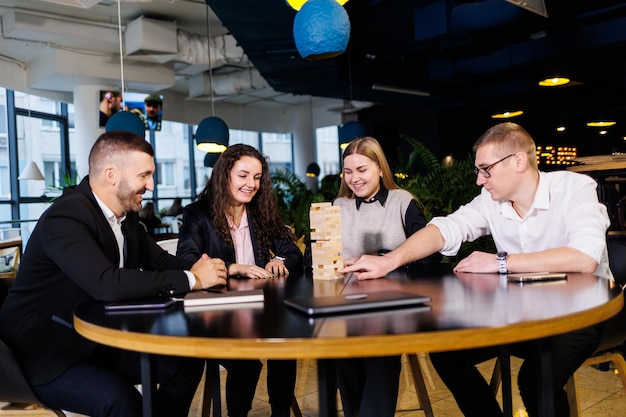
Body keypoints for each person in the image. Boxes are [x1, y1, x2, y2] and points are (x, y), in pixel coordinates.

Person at [339, 122, 612, 417]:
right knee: (447, 353)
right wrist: (389, 260)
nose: (480, 180)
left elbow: (585, 257)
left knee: (535, 380)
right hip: (525, 314)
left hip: (583, 314)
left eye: (486, 170)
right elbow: (446, 228)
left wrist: (500, 262)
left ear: (518, 162)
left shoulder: (574, 189)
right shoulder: (490, 202)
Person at [0, 130, 228, 417]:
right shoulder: (66, 216)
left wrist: (214, 269)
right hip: (40, 355)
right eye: (144, 175)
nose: (152, 186)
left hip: (93, 341)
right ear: (111, 174)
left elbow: (159, 260)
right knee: (121, 400)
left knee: (185, 365)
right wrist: (193, 279)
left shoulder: (125, 216)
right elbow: (105, 284)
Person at [177, 143, 303, 417]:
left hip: (257, 308)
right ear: (226, 176)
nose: (252, 184)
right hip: (216, 313)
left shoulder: (260, 212)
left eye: (257, 178)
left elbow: (292, 251)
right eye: (244, 175)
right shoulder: (198, 214)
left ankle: (280, 413)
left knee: (285, 344)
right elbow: (185, 259)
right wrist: (232, 268)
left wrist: (278, 260)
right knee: (247, 363)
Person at [332, 136, 430, 417]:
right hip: (347, 307)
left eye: (362, 170)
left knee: (378, 355)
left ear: (379, 168)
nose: (354, 178)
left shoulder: (403, 202)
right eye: (348, 172)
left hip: (391, 307)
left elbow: (428, 256)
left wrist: (389, 260)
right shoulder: (338, 205)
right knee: (341, 355)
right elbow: (312, 259)